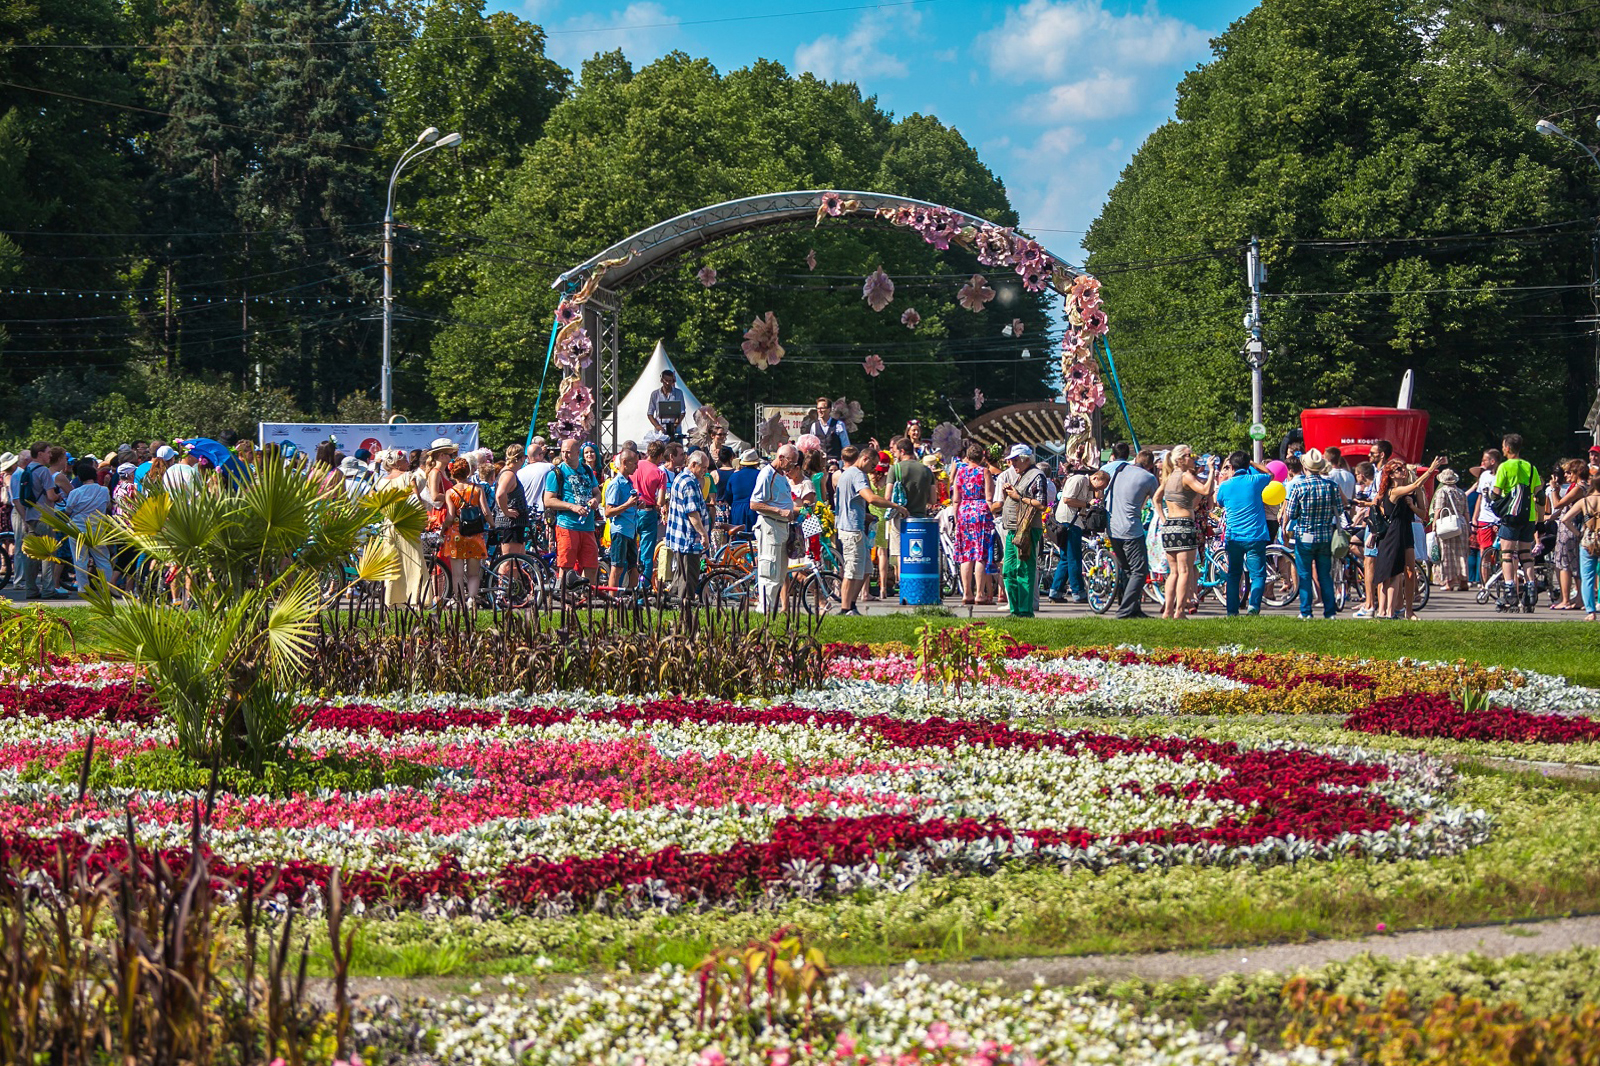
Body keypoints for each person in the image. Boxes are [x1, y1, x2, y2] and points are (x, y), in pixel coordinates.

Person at [834, 445, 903, 615]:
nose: (873, 470)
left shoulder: (847, 473)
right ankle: (845, 608)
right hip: (851, 530)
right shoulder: (858, 474)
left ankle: (851, 605)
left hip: (853, 525)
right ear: (864, 459)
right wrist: (895, 505)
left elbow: (848, 503)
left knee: (865, 569)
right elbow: (870, 498)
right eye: (873, 465)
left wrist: (865, 516)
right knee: (852, 570)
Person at [1281, 448, 1343, 619]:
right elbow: (1340, 508)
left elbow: (1292, 513)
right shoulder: (1331, 486)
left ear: (1305, 467)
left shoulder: (1299, 485)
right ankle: (1330, 612)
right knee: (1325, 574)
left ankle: (1306, 611)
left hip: (1305, 535)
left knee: (1305, 574)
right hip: (1325, 535)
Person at [1155, 445, 1215, 619]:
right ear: (1180, 459)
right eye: (1190, 455)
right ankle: (1179, 611)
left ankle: (1167, 610)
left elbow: (1156, 499)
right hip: (1184, 525)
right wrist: (1211, 471)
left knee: (1172, 572)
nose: (1193, 458)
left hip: (1170, 526)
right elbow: (1205, 490)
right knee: (1185, 570)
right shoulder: (1185, 476)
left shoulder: (1168, 478)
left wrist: (1163, 518)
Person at [1214, 450, 1273, 616]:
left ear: (1231, 467)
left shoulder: (1226, 485)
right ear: (1248, 466)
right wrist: (1253, 463)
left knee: (1233, 574)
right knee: (1258, 575)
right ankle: (1253, 607)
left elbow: (1219, 503)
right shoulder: (1255, 480)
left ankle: (1232, 611)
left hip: (1234, 537)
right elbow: (1270, 473)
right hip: (1256, 535)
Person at [996, 444, 1050, 617]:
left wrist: (1017, 497)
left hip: (1026, 529)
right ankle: (1015, 610)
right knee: (1009, 570)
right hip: (1013, 528)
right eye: (1011, 460)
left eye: (1015, 460)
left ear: (1026, 459)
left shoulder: (1037, 476)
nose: (1013, 464)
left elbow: (1041, 504)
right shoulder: (1022, 475)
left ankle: (1025, 612)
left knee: (1024, 569)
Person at [1491, 433, 1542, 612]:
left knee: (1507, 554)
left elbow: (1495, 493)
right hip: (1528, 517)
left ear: (1507, 447)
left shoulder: (1504, 467)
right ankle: (1530, 587)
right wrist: (1540, 521)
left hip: (1511, 517)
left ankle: (1510, 590)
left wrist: (1494, 502)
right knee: (1526, 555)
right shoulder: (1531, 467)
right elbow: (1540, 495)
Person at [1107, 447, 1159, 619]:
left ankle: (1133, 609)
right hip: (1130, 528)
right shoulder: (1149, 477)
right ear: (1151, 465)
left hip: (1112, 526)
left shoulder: (1120, 469)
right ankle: (1124, 610)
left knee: (1128, 570)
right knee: (1140, 571)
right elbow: (1157, 500)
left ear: (1136, 458)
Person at [374, 449, 430, 607]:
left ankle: (391, 599)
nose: (407, 462)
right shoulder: (409, 477)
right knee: (415, 562)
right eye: (404, 459)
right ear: (397, 463)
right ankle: (415, 598)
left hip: (390, 525)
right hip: (408, 525)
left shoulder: (381, 482)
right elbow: (417, 497)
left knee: (392, 563)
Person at [543, 437, 601, 589]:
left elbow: (597, 492)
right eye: (563, 452)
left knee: (591, 564)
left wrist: (596, 500)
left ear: (577, 452)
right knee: (566, 565)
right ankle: (565, 599)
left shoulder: (587, 470)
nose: (565, 455)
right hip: (567, 525)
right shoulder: (556, 473)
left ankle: (585, 598)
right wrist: (571, 506)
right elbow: (548, 500)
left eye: (568, 452)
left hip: (587, 526)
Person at [750, 445, 799, 613]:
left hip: (782, 527)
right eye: (791, 463)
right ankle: (765, 610)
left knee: (779, 573)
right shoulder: (767, 474)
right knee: (769, 570)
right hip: (770, 526)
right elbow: (754, 503)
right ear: (781, 458)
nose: (792, 467)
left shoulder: (781, 476)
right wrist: (780, 511)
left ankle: (771, 608)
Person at [1050, 464, 1104, 604]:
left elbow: (1095, 499)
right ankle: (1078, 592)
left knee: (1066, 558)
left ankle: (1055, 591)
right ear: (1095, 478)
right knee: (1074, 558)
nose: (1099, 490)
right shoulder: (1079, 480)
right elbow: (1067, 499)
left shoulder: (1087, 485)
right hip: (1069, 522)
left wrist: (1097, 494)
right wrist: (1087, 504)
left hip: (1073, 522)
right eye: (1099, 486)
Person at [439, 456, 488, 605]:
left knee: (457, 574)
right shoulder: (477, 489)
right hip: (475, 534)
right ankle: (472, 599)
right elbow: (485, 511)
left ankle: (459, 599)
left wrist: (443, 530)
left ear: (452, 473)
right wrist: (492, 525)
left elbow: (450, 516)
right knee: (473, 574)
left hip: (456, 535)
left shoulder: (450, 492)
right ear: (468, 472)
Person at [665, 449, 711, 602]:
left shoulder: (681, 478)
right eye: (703, 468)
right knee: (689, 576)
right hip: (688, 538)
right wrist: (704, 534)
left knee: (681, 574)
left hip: (680, 536)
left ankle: (673, 603)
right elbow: (692, 513)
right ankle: (686, 607)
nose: (705, 471)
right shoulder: (689, 482)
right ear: (693, 465)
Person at [63, 457, 112, 593]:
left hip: (77, 528)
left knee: (80, 559)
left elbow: (68, 510)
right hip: (98, 528)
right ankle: (106, 586)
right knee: (103, 559)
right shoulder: (103, 491)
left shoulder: (75, 493)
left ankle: (83, 588)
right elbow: (107, 505)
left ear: (80, 477)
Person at [1558, 473, 1600, 621]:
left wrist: (1578, 533)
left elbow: (1565, 519)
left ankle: (1591, 611)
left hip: (1588, 540)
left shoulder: (1584, 502)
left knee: (1587, 577)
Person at [1548, 458, 1589, 609]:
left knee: (1564, 564)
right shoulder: (1585, 487)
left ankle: (1565, 599)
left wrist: (1553, 489)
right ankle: (1579, 598)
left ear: (1578, 472)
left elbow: (1558, 504)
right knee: (1576, 565)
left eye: (1569, 472)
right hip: (1576, 529)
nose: (1565, 475)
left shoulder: (1579, 488)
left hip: (1569, 530)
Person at [603, 449, 642, 590]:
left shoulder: (629, 482)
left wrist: (636, 505)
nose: (637, 467)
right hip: (620, 531)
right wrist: (628, 505)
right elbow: (608, 512)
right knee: (617, 567)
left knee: (634, 567)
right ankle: (612, 602)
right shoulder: (616, 484)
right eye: (634, 463)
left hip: (631, 530)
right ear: (624, 462)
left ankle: (632, 599)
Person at [1429, 468, 1472, 592]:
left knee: (1447, 553)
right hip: (1461, 523)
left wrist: (1434, 525)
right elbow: (1466, 511)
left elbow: (1439, 509)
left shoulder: (1442, 492)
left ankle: (1450, 582)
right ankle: (1463, 581)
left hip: (1447, 524)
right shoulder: (1461, 492)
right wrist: (1468, 527)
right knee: (1462, 553)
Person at [517, 440, 554, 547]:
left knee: (526, 548)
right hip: (543, 515)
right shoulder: (549, 467)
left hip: (525, 514)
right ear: (541, 454)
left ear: (527, 457)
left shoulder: (519, 472)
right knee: (544, 549)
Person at [495, 444, 528, 551]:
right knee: (509, 561)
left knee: (519, 559)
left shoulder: (508, 472)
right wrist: (506, 511)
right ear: (522, 458)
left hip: (515, 523)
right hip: (511, 523)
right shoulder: (509, 474)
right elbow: (500, 494)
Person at [726, 449, 762, 539]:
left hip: (737, 510)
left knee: (738, 541)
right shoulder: (760, 475)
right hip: (754, 509)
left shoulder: (734, 476)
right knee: (754, 540)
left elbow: (728, 496)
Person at [646, 369, 687, 441]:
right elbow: (650, 414)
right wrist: (658, 426)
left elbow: (682, 412)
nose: (668, 383)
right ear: (662, 380)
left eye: (670, 381)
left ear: (673, 381)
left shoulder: (679, 393)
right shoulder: (655, 394)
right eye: (666, 381)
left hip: (675, 430)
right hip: (660, 432)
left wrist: (675, 425)